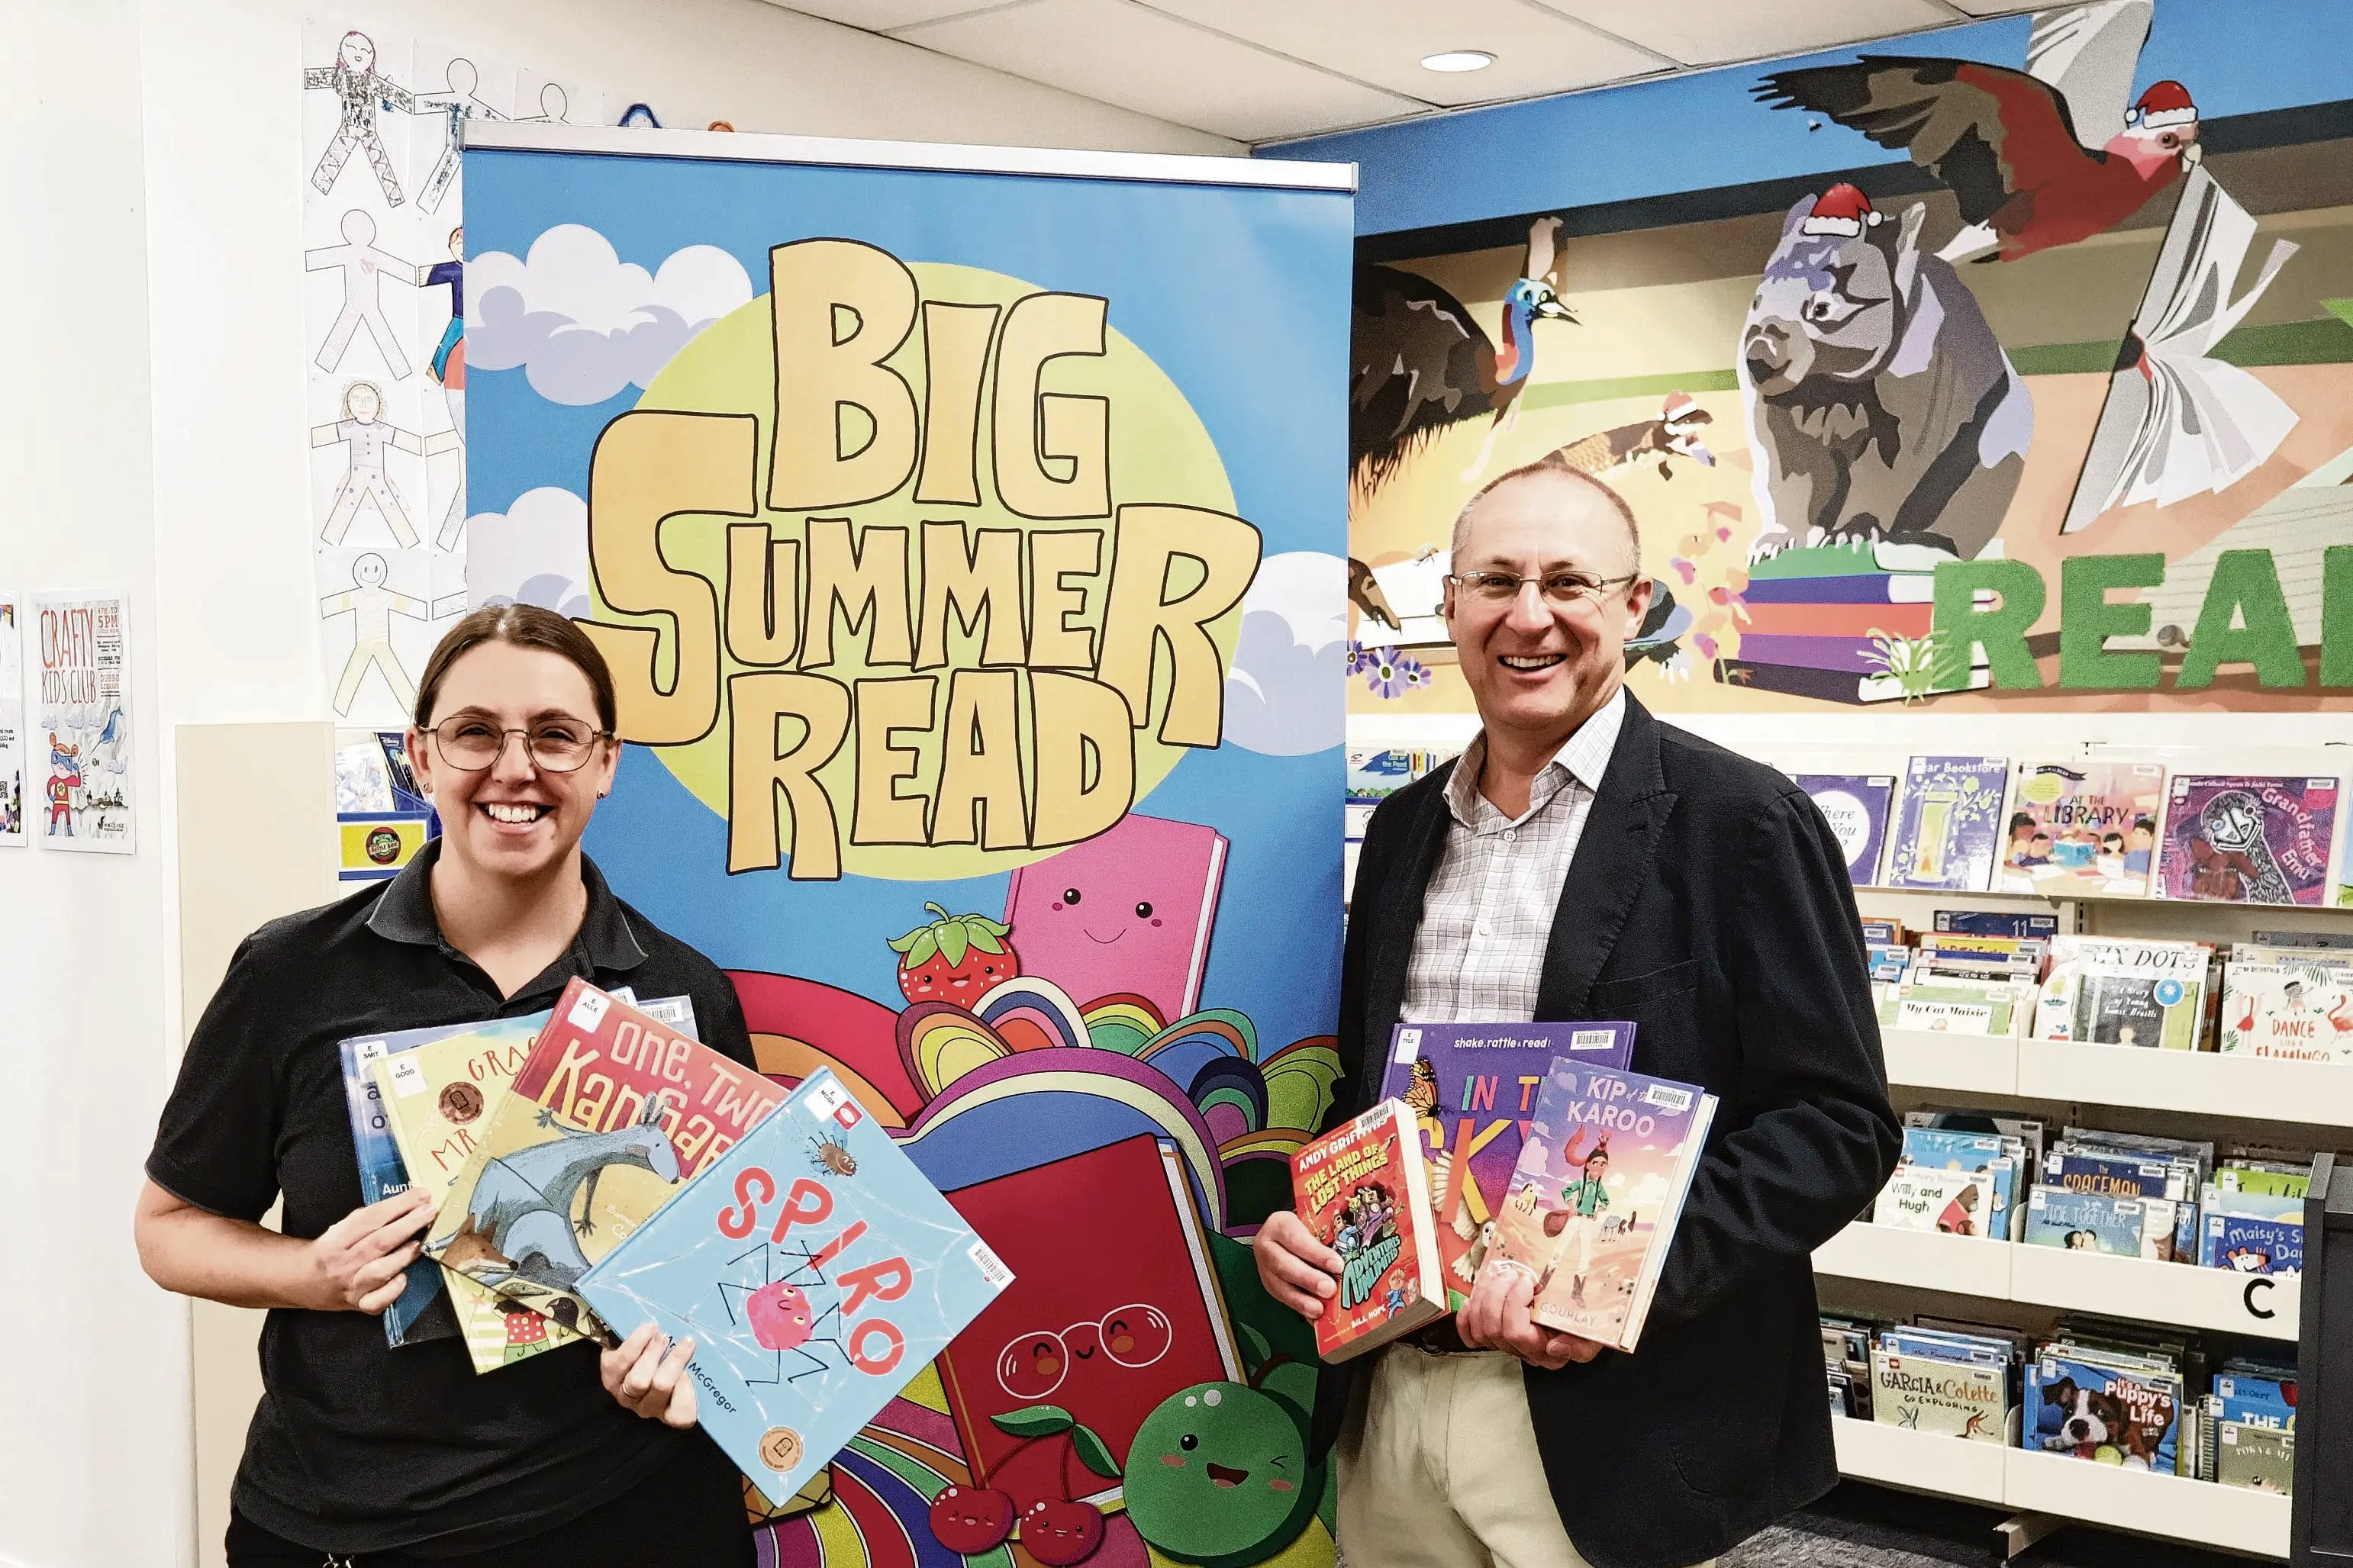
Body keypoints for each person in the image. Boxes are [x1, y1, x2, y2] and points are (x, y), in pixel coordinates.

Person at [1254, 456, 1898, 1568]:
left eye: (1568, 583)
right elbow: (1383, 1099)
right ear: (1448, 605)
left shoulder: (1741, 823)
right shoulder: (1405, 829)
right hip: (1394, 1396)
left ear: (1632, 606)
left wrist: (1620, 1277)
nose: (1528, 616)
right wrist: (1319, 1228)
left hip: (1615, 1421)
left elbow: (1835, 1126)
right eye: (1494, 581)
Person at [136, 605, 757, 1567]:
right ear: (421, 758)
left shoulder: (678, 992)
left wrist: (673, 1369)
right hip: (354, 1525)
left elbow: (725, 1280)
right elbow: (167, 1230)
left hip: (631, 1512)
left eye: (555, 736)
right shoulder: (291, 974)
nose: (516, 768)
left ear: (605, 763)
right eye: (475, 733)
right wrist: (317, 1276)